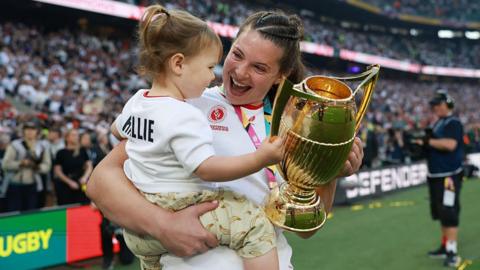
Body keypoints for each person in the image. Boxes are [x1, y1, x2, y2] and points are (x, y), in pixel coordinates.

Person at [87, 9, 364, 270]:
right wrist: (163, 225)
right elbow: (101, 181)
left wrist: (330, 171)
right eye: (237, 54)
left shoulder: (295, 127)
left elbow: (306, 230)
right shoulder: (186, 102)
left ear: (281, 75)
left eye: (258, 67)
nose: (240, 72)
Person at [110, 5, 283, 270]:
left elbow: (117, 129)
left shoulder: (137, 102)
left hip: (139, 232)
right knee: (254, 224)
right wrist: (261, 158)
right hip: (180, 207)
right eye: (209, 66)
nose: (213, 75)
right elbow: (206, 169)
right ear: (178, 63)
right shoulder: (184, 114)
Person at [416, 90, 464, 268]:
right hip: (436, 176)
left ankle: (452, 251)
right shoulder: (438, 123)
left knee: (449, 212)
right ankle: (445, 246)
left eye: (439, 104)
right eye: (434, 105)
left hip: (448, 176)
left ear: (448, 105)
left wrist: (428, 142)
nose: (435, 107)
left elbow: (450, 145)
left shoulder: (453, 122)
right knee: (441, 212)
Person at [1, 121, 51, 212]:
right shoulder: (15, 145)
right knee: (13, 212)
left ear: (37, 131)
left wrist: (37, 167)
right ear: (23, 131)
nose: (30, 131)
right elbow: (5, 164)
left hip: (33, 184)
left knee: (30, 212)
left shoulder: (42, 146)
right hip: (15, 183)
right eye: (27, 129)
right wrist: (21, 163)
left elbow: (47, 165)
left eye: (33, 129)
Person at [54, 128, 93, 205]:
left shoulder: (82, 150)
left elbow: (89, 166)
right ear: (67, 137)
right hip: (65, 186)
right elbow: (57, 171)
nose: (76, 137)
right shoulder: (61, 153)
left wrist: (85, 177)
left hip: (81, 183)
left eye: (77, 135)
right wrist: (69, 182)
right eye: (73, 135)